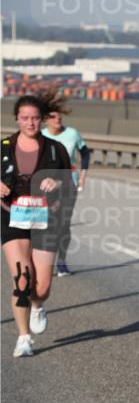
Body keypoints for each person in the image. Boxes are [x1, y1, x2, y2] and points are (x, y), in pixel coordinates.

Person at [1, 95, 74, 357]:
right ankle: (23, 337)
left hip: (46, 218)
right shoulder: (4, 147)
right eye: (24, 118)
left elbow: (70, 184)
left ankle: (38, 304)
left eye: (34, 118)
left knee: (41, 287)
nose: (30, 123)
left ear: (41, 120)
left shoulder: (55, 150)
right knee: (22, 278)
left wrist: (58, 184)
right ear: (16, 119)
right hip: (11, 216)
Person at [40, 89, 91, 277]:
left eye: (59, 116)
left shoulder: (72, 134)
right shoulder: (41, 136)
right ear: (46, 120)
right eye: (53, 117)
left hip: (69, 183)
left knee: (64, 223)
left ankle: (61, 261)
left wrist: (83, 175)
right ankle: (44, 260)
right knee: (46, 223)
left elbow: (85, 153)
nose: (58, 119)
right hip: (45, 186)